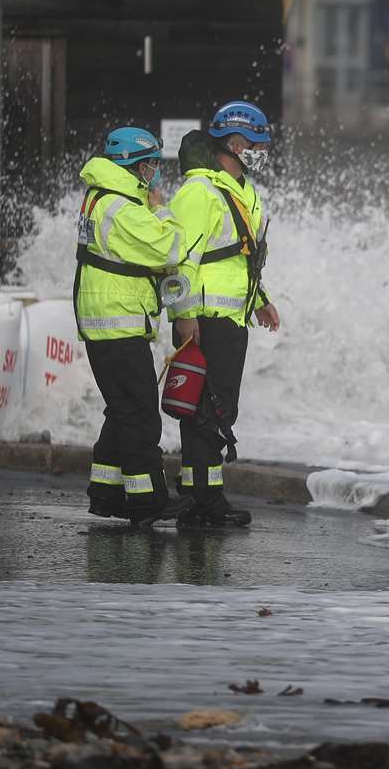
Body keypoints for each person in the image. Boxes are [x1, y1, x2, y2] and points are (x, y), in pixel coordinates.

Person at [166, 101, 280, 528]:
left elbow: (239, 260)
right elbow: (181, 260)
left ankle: (204, 497)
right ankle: (201, 502)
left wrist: (260, 300)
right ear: (234, 142)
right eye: (256, 143)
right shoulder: (200, 191)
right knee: (203, 413)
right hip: (205, 317)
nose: (261, 150)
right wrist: (184, 314)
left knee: (214, 413)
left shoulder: (244, 190)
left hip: (232, 320)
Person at [75, 127, 190, 526]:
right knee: (142, 415)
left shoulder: (105, 197)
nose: (155, 173)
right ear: (129, 164)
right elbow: (169, 247)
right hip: (117, 324)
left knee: (122, 410)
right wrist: (160, 208)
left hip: (107, 323)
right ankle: (147, 501)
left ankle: (105, 493)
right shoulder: (120, 209)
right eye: (149, 165)